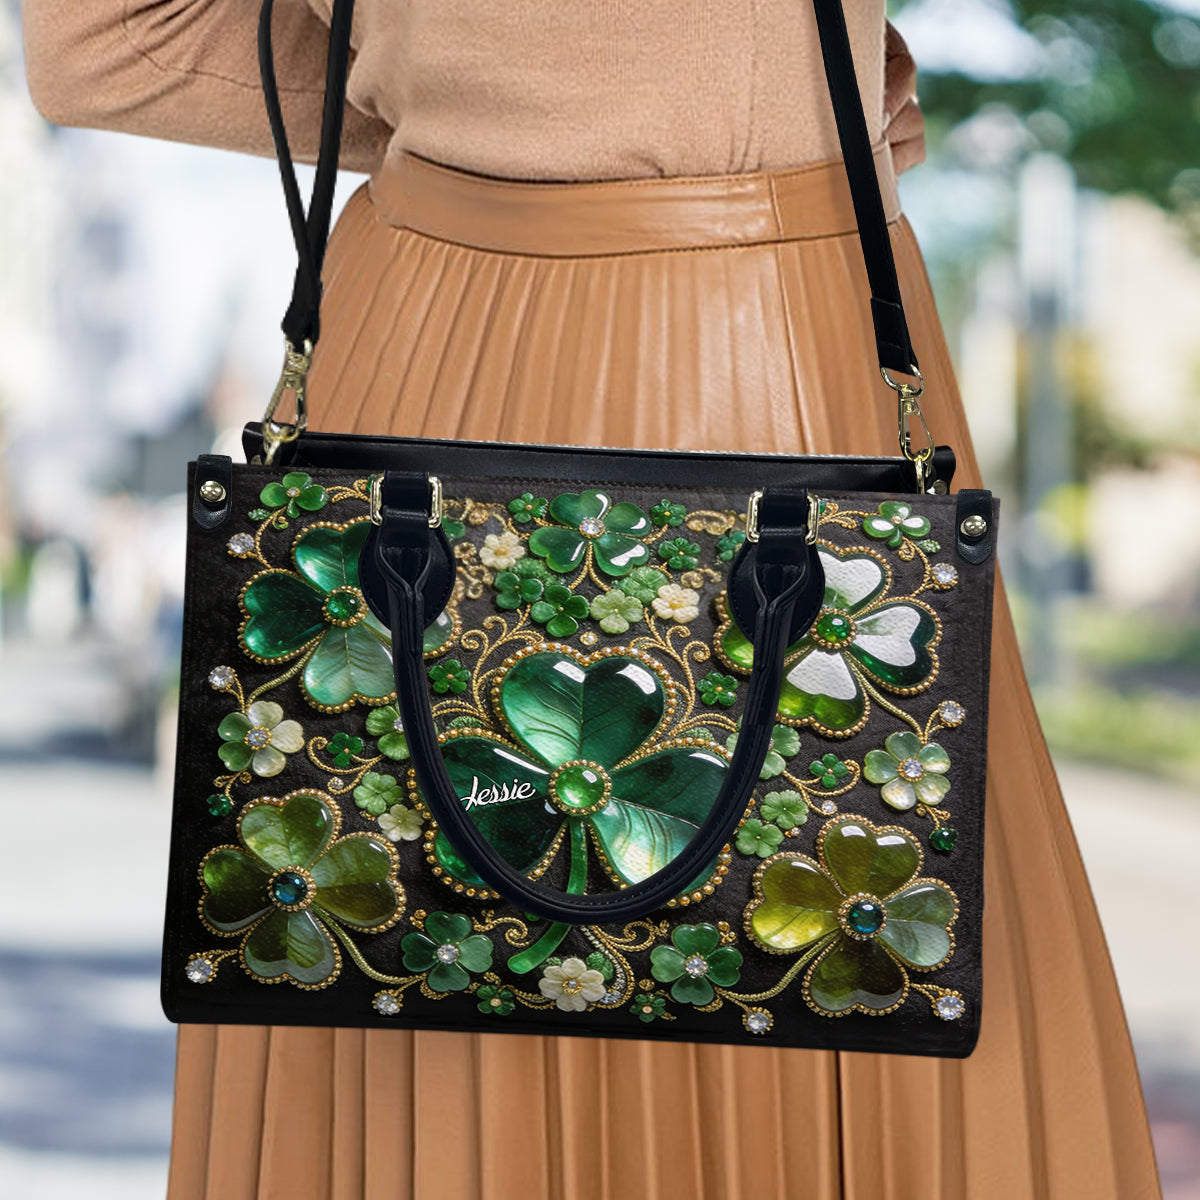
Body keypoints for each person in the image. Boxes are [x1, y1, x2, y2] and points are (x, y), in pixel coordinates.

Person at [21, 3, 1162, 1197]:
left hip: (425, 341)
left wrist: (450, 87)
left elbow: (105, 44)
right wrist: (754, 87)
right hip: (774, 314)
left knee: (399, 916)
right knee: (849, 903)